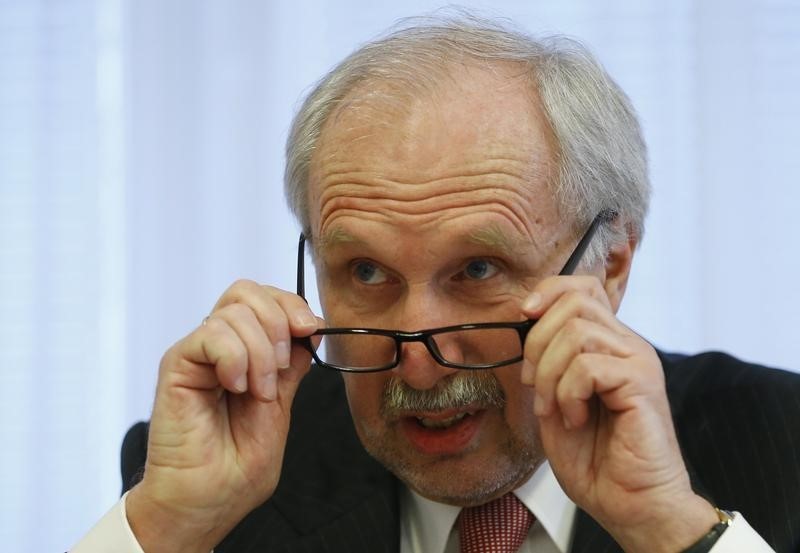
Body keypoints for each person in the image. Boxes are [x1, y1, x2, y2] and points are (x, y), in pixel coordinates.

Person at [73, 13, 800, 553]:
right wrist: (169, 523)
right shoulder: (221, 478)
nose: (416, 358)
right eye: (365, 272)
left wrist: (670, 527)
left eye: (478, 270)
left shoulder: (780, 443)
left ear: (609, 264)